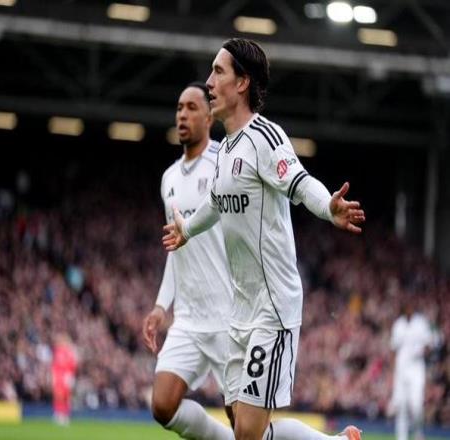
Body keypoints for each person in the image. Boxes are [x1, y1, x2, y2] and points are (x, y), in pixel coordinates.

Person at [163, 38, 365, 440]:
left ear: (242, 83)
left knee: (248, 433)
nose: (209, 82)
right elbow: (214, 203)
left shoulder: (265, 137)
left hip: (272, 308)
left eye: (218, 72)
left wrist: (329, 208)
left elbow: (300, 182)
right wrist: (186, 230)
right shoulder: (225, 150)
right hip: (240, 309)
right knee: (243, 427)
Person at [142, 82, 234, 439]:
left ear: (209, 117)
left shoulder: (224, 164)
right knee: (162, 406)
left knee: (247, 426)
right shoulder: (169, 178)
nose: (182, 114)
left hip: (228, 317)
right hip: (188, 320)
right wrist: (160, 306)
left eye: (192, 108)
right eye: (179, 107)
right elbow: (175, 246)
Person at [390, 300, 434, 440]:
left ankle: (418, 432)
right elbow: (393, 349)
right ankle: (401, 437)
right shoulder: (398, 324)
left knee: (416, 404)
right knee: (401, 404)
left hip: (416, 367)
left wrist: (422, 351)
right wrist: (393, 371)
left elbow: (429, 344)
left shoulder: (421, 323)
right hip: (401, 367)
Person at [51, 333, 78, 425]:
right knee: (59, 396)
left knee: (66, 396)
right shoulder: (57, 351)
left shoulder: (69, 352)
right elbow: (55, 365)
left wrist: (70, 376)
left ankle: (65, 414)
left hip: (66, 376)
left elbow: (73, 365)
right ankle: (58, 414)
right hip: (59, 376)